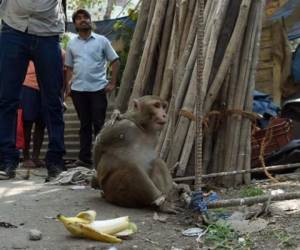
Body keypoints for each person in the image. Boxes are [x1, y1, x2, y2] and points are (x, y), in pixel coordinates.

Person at [0, 1, 66, 181]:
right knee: (7, 99)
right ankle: (6, 160)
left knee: (53, 100)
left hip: (48, 31)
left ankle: (55, 161)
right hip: (13, 28)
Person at [65, 9, 120, 168]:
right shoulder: (71, 43)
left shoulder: (102, 40)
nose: (83, 20)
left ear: (90, 20)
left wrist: (112, 82)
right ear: (75, 24)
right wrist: (68, 85)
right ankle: (84, 159)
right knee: (84, 125)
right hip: (78, 90)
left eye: (86, 17)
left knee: (99, 124)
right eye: (79, 18)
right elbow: (68, 66)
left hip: (98, 89)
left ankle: (102, 158)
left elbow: (115, 61)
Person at [21, 62, 46, 168]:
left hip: (45, 87)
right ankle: (26, 157)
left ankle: (35, 157)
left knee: (41, 123)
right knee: (27, 123)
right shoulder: (24, 48)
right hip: (27, 87)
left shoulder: (56, 50)